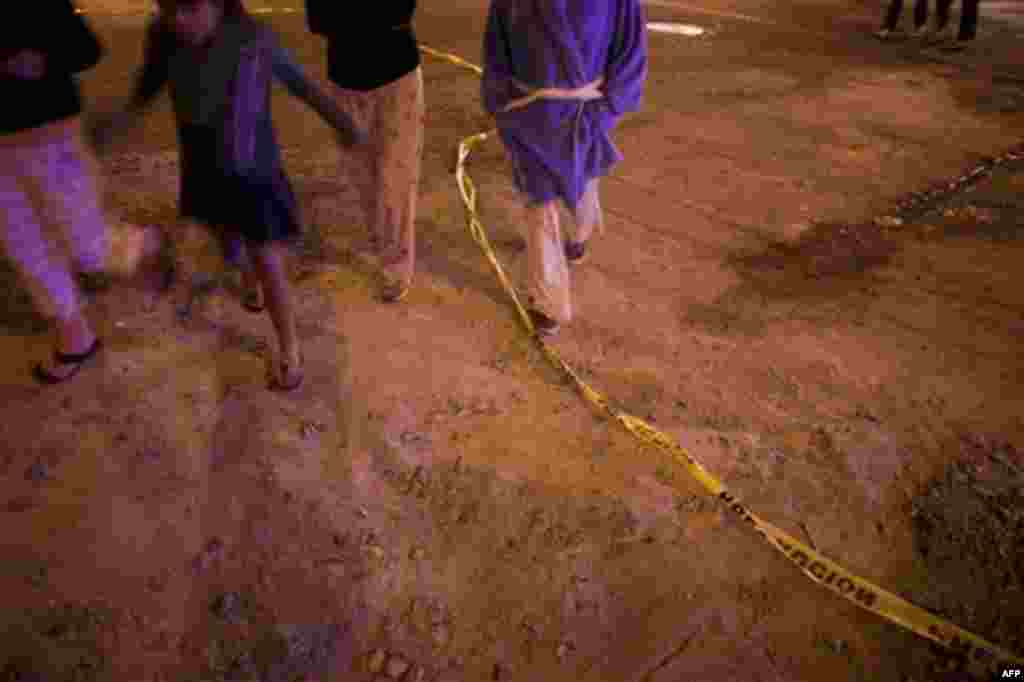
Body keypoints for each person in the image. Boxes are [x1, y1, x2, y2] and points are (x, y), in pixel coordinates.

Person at [89, 0, 363, 391]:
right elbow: (145, 90)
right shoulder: (165, 38)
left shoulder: (254, 40)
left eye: (189, 8)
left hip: (255, 175)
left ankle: (289, 345)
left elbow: (301, 84)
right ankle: (248, 281)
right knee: (225, 237)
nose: (178, 19)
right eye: (167, 9)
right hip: (202, 171)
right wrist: (117, 124)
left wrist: (340, 120)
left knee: (267, 259)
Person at [481, 0, 647, 336]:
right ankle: (549, 302)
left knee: (583, 180)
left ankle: (579, 236)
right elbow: (496, 46)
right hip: (530, 115)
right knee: (537, 200)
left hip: (584, 112)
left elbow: (631, 47)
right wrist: (498, 98)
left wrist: (608, 107)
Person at [0, 0, 115, 384]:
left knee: (88, 246)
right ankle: (75, 337)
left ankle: (142, 248)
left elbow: (86, 49)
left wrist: (39, 61)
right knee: (26, 247)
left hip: (49, 137)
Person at [304, 0, 424, 303]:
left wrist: (350, 21)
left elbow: (400, 11)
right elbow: (317, 20)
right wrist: (365, 20)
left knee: (396, 175)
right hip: (345, 78)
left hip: (396, 76)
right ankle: (385, 242)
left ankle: (396, 264)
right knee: (362, 175)